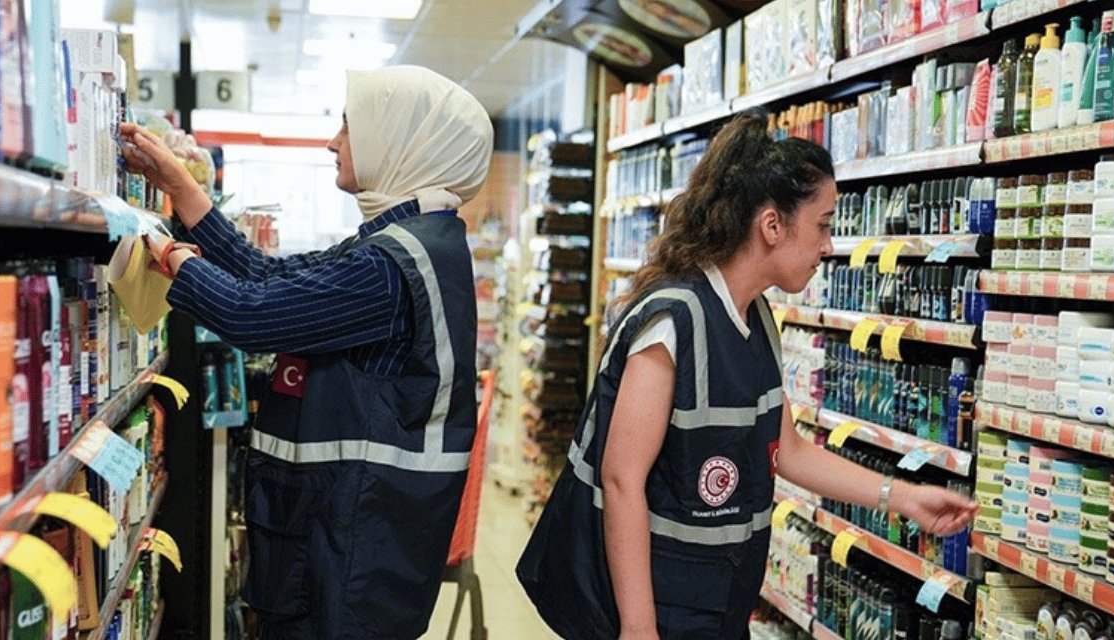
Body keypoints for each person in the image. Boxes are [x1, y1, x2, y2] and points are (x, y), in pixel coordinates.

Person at [516, 114, 976, 640]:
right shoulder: (673, 323)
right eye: (823, 225)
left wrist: (904, 496)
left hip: (716, 606)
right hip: (655, 609)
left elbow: (789, 451)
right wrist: (639, 627)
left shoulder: (757, 318)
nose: (828, 246)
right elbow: (622, 481)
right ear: (772, 225)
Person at [119, 65, 494, 639]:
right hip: (350, 537)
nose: (333, 141)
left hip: (347, 549)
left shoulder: (392, 266)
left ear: (400, 138)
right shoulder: (410, 241)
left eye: (349, 126)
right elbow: (271, 278)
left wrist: (173, 258)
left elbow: (256, 313)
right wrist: (183, 190)